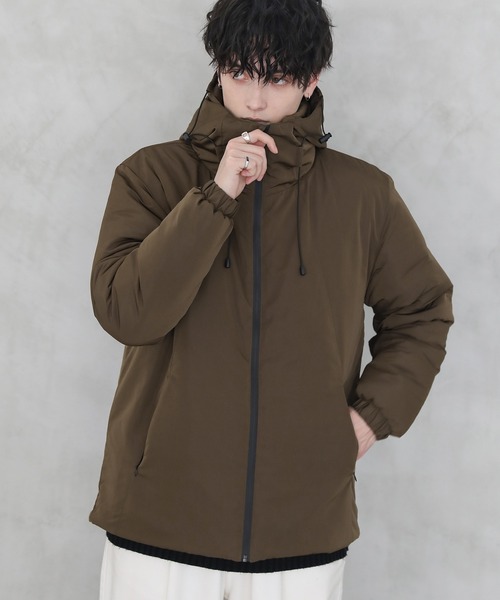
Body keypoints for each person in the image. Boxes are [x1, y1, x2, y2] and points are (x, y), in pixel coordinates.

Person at [89, 1, 453, 598]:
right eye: (239, 73)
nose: (254, 100)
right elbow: (127, 312)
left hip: (300, 535)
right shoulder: (151, 177)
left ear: (311, 79)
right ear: (218, 67)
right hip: (159, 523)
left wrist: (368, 420)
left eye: (277, 78)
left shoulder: (363, 196)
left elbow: (423, 310)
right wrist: (217, 195)